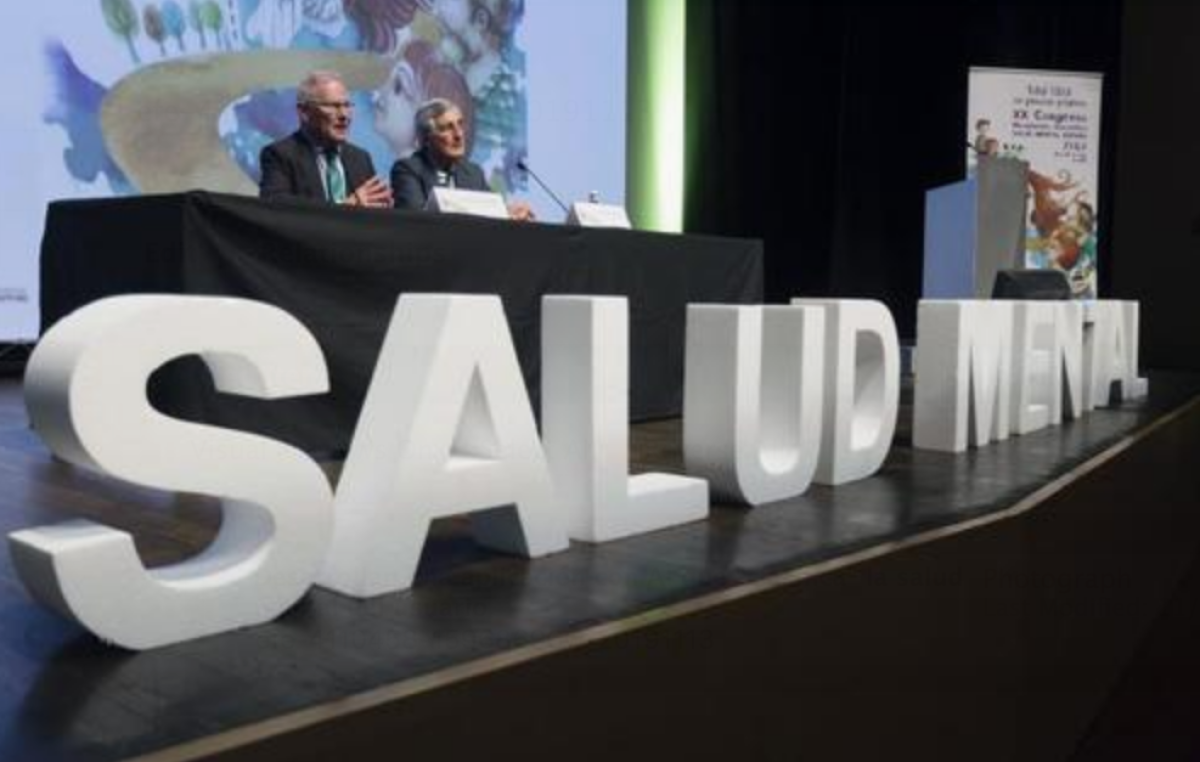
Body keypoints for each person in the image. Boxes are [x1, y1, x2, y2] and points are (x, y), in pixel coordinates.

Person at [259, 70, 393, 207]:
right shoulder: (280, 155)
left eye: (347, 105)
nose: (344, 115)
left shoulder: (360, 158)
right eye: (333, 106)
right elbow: (276, 207)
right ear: (304, 112)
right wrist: (346, 206)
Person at [390, 98, 533, 220]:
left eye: (460, 124)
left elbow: (492, 212)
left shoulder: (473, 173)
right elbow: (416, 222)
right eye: (447, 128)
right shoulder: (408, 170)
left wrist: (509, 214)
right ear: (427, 138)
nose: (458, 134)